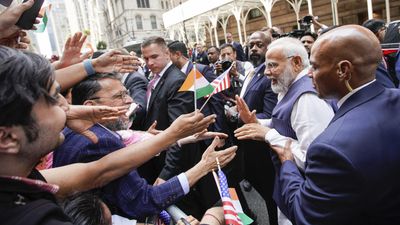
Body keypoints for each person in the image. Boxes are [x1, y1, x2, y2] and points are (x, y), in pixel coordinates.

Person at [0, 46, 218, 225]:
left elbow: (96, 171)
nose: (66, 107)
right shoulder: (38, 217)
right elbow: (139, 198)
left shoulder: (24, 183)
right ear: (7, 138)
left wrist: (173, 136)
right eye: (53, 98)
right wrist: (202, 169)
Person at [53, 72, 236, 219]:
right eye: (119, 96)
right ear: (91, 105)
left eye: (127, 93)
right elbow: (144, 200)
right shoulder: (100, 141)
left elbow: (128, 145)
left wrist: (178, 138)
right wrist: (204, 166)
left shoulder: (74, 131)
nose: (130, 100)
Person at [270, 25, 400, 225]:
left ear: (343, 70)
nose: (309, 74)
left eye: (314, 67)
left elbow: (305, 214)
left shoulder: (331, 148)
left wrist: (287, 163)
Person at [234, 37, 334, 225]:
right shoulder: (289, 86)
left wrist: (269, 136)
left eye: (272, 65)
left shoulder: (307, 99)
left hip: (306, 196)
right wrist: (258, 122)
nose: (266, 72)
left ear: (296, 62)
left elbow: (312, 158)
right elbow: (287, 123)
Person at [139, 36, 194, 185]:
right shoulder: (156, 78)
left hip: (171, 162)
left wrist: (167, 172)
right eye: (146, 58)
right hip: (157, 154)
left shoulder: (177, 80)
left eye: (154, 56)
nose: (150, 63)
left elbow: (179, 130)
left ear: (167, 53)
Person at [238, 31, 278, 225]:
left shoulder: (269, 75)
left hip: (263, 149)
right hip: (248, 147)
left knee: (272, 197)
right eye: (250, 45)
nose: (253, 48)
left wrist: (242, 117)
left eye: (259, 45)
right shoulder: (252, 71)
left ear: (270, 47)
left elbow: (269, 115)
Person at [362, 19, 397, 88]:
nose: (387, 32)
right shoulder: (372, 58)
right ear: (378, 33)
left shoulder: (385, 53)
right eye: (385, 29)